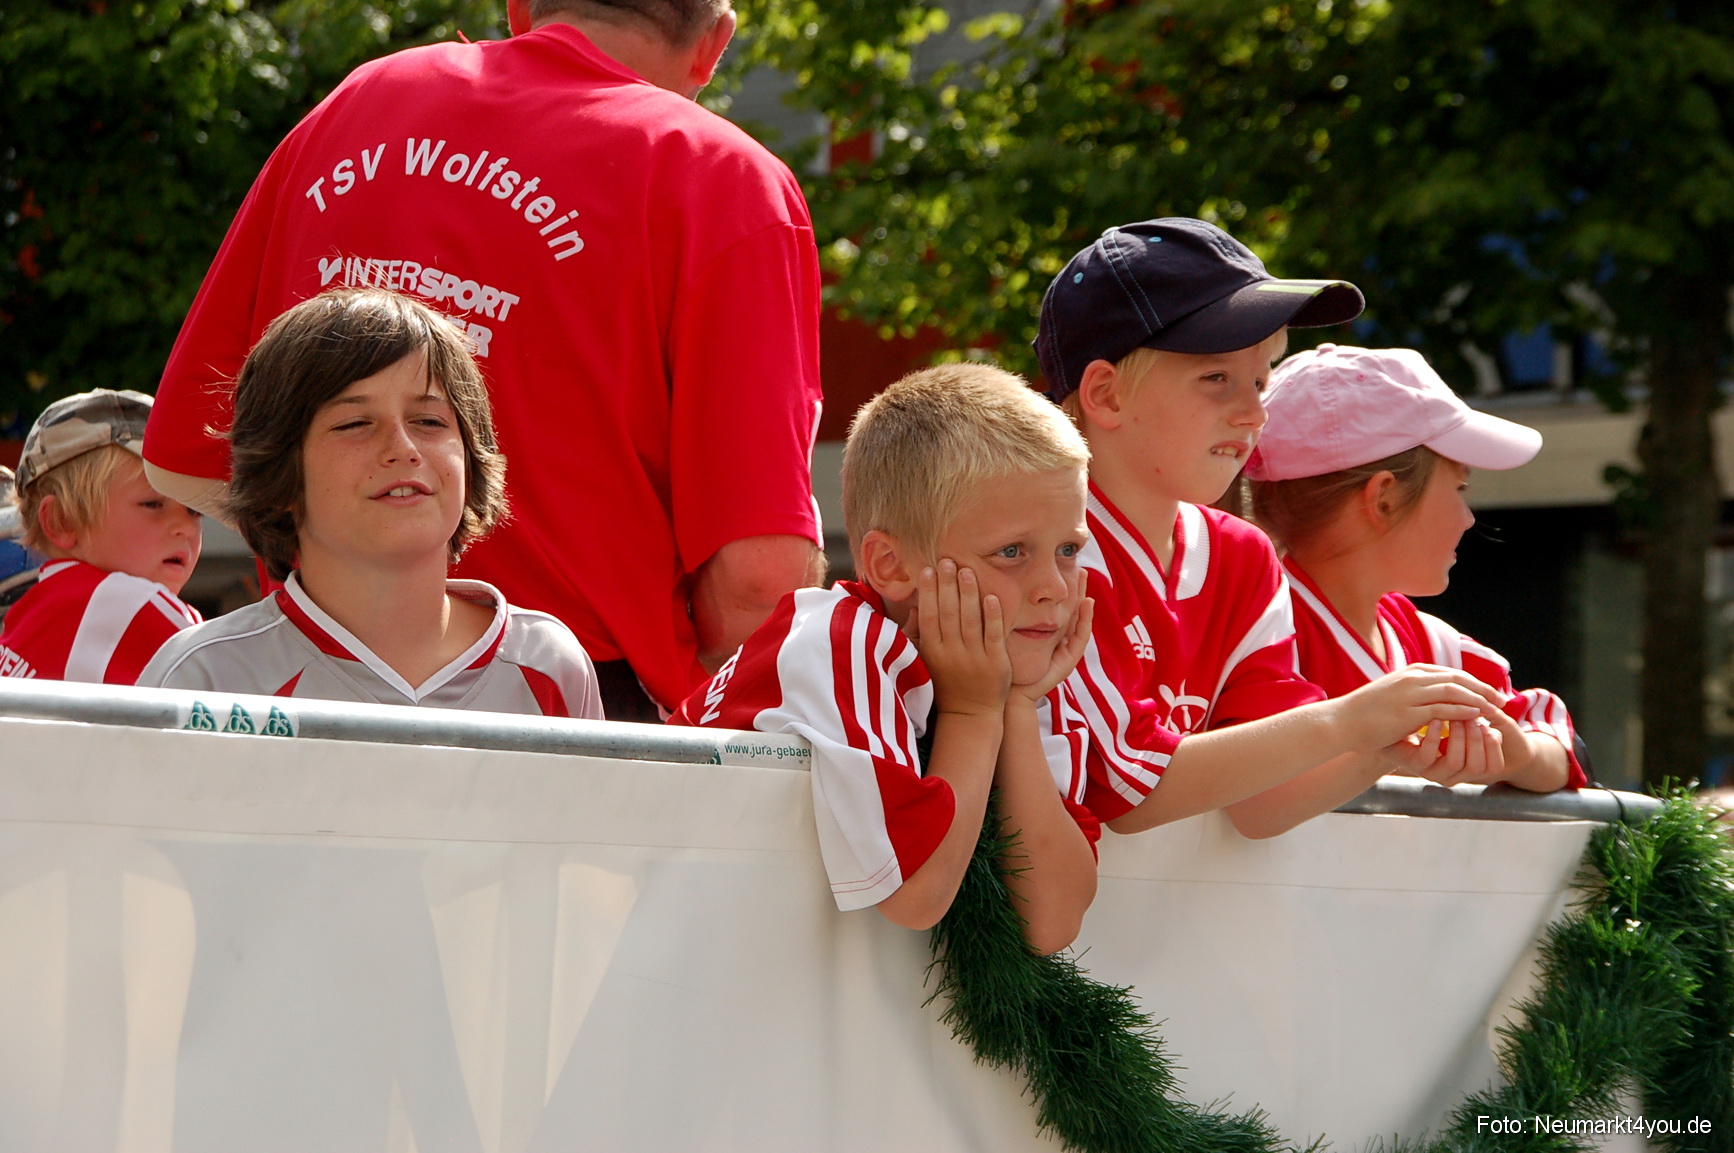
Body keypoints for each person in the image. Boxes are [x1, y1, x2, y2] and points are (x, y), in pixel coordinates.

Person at [143, 0, 822, 720]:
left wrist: (358, 582)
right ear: (712, 47)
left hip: (306, 674)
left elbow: (188, 455)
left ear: (521, 8)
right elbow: (757, 578)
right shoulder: (722, 175)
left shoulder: (360, 103)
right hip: (579, 698)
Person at [1035, 218, 1510, 838]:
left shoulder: (1242, 554)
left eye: (1261, 379)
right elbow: (1127, 789)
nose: (1255, 410)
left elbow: (1261, 803)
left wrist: (1388, 743)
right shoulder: (1040, 554)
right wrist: (1348, 723)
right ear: (1106, 394)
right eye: (1217, 378)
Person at [670, 365, 1099, 955]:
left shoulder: (1021, 663)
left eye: (1069, 549)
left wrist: (1016, 709)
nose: (1053, 585)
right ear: (892, 567)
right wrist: (975, 714)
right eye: (1011, 551)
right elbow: (914, 893)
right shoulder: (831, 641)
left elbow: (1050, 924)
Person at [141, 289, 602, 719]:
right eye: (355, 423)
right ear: (279, 473)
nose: (403, 447)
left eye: (428, 419)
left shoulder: (549, 666)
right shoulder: (203, 679)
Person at [1246, 343, 1587, 811]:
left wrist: (1521, 757)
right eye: (1460, 486)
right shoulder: (1255, 632)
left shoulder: (1436, 646)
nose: (1469, 518)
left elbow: (1556, 739)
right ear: (1383, 498)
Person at [0, 390, 203, 683]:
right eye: (153, 504)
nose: (184, 526)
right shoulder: (129, 603)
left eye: (194, 510)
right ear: (62, 521)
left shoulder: (29, 614)